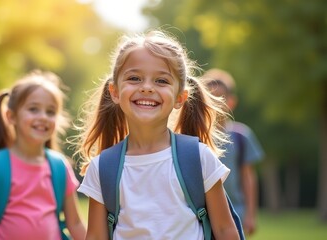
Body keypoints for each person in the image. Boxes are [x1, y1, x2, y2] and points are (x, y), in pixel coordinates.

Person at [72, 30, 240, 239]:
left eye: (161, 81)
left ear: (180, 97)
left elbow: (225, 230)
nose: (147, 88)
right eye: (134, 78)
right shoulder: (102, 168)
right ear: (115, 92)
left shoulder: (198, 158)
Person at [0, 70, 86, 240]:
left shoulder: (59, 166)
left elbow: (75, 224)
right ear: (11, 116)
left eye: (50, 112)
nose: (43, 117)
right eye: (33, 109)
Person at [203, 68, 264, 236]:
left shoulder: (241, 136)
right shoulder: (194, 136)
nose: (216, 102)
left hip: (235, 212)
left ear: (232, 101)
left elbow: (248, 177)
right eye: (210, 96)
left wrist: (250, 214)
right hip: (202, 214)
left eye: (220, 97)